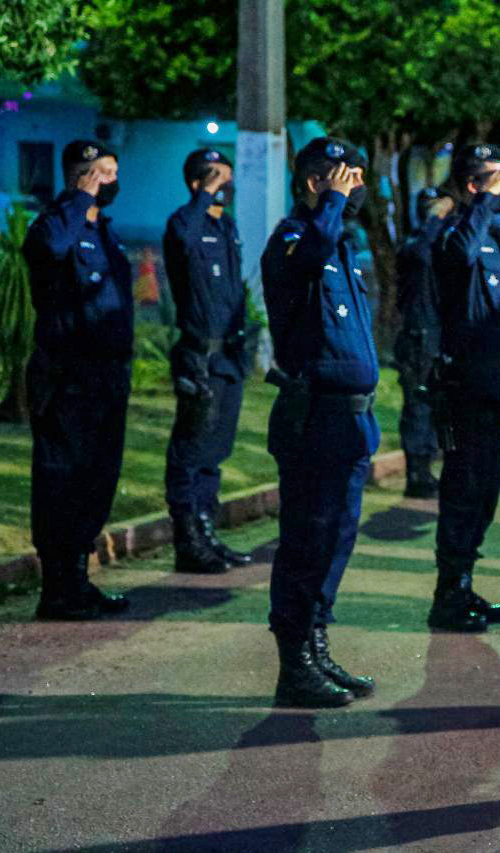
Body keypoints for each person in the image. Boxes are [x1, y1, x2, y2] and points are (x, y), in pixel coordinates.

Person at [261, 136, 378, 708]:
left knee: (337, 540)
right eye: (343, 178)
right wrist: (329, 204)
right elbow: (311, 253)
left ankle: (316, 646)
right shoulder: (293, 241)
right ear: (314, 182)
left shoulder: (343, 245)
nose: (353, 189)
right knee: (307, 541)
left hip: (352, 423)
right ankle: (294, 665)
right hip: (315, 421)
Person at [23, 139, 132, 620]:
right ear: (80, 175)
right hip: (66, 379)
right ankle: (57, 589)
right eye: (102, 173)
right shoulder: (54, 223)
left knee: (96, 481)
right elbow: (51, 249)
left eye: (112, 173)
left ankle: (78, 582)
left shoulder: (105, 232)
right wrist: (78, 200)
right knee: (61, 483)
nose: (110, 182)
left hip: (107, 378)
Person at [427, 143, 500, 632]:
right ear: (471, 184)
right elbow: (460, 254)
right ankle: (449, 594)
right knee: (463, 489)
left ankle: (464, 583)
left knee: (485, 492)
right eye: (493, 177)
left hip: (496, 381)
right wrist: (483, 201)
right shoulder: (453, 233)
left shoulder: (493, 234)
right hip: (465, 385)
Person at [162, 148, 254, 574]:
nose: (226, 186)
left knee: (215, 453)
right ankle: (187, 540)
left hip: (227, 358)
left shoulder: (225, 225)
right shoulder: (185, 222)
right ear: (197, 182)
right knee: (190, 452)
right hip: (199, 356)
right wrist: (204, 194)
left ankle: (207, 533)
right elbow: (181, 239)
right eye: (218, 178)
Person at [394, 186, 454, 498]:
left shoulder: (439, 243)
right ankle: (416, 473)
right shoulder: (415, 242)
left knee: (434, 406)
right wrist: (434, 217)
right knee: (418, 407)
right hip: (419, 337)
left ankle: (427, 467)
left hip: (438, 335)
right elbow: (418, 254)